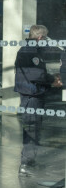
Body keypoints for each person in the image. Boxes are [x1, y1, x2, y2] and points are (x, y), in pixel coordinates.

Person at [14, 25, 62, 177]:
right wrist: (53, 79)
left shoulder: (32, 50)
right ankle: (25, 164)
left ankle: (30, 160)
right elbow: (35, 75)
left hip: (34, 94)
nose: (47, 41)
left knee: (34, 129)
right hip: (31, 96)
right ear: (40, 38)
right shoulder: (30, 51)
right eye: (46, 38)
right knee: (31, 129)